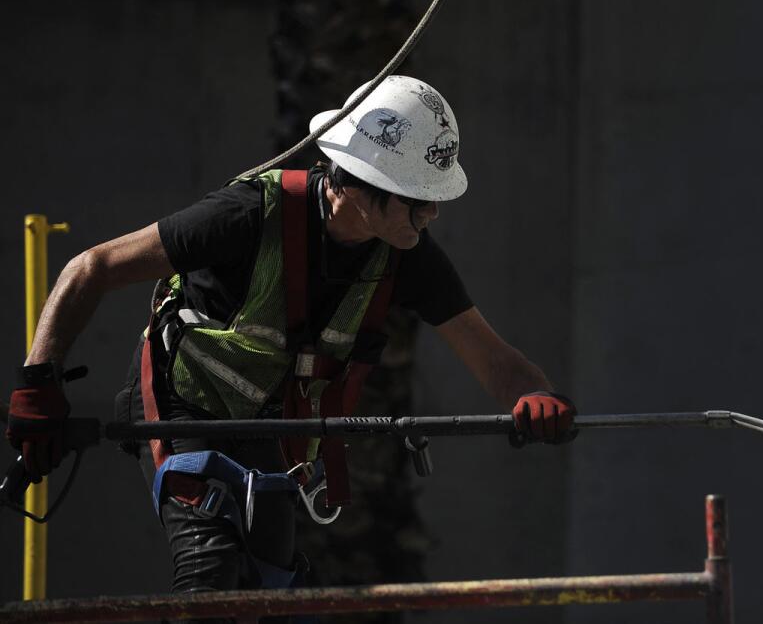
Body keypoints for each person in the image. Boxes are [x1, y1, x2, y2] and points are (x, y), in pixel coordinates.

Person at [6, 75, 575, 595]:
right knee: (211, 565)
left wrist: (537, 396)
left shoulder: (410, 256)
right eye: (416, 195)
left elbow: (494, 358)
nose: (431, 212)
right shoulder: (248, 214)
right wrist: (37, 383)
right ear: (358, 183)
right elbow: (93, 267)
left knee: (271, 582)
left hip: (259, 420)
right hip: (181, 404)